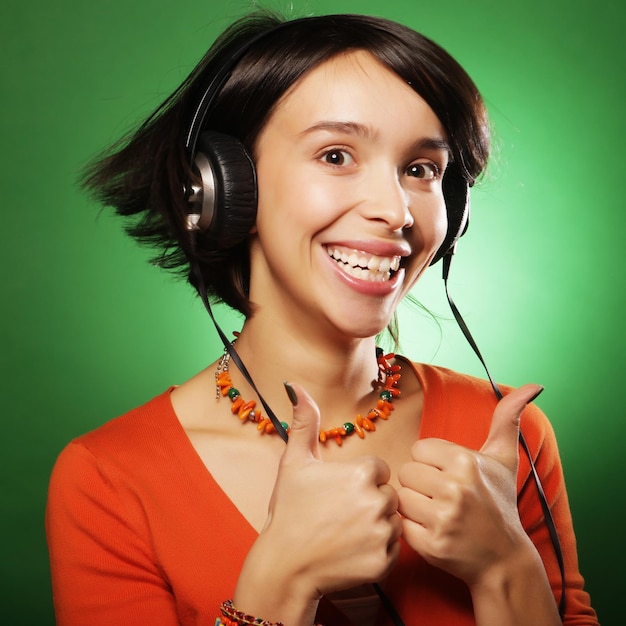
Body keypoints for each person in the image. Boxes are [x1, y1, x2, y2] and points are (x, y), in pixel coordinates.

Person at [45, 11, 598, 626]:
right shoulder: (109, 479)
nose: (395, 211)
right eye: (336, 155)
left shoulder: (506, 436)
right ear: (225, 188)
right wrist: (281, 580)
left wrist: (505, 568)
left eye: (421, 170)